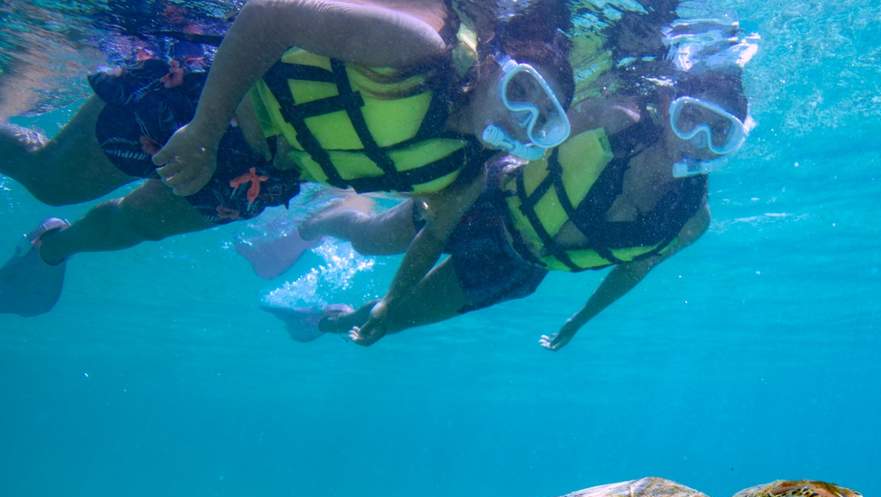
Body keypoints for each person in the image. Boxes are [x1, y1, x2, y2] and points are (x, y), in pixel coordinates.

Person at [0, 0, 574, 316]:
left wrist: (391, 307)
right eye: (520, 90)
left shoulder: (459, 173)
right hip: (215, 95)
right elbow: (270, 15)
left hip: (262, 171)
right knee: (51, 178)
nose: (517, 119)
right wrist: (203, 129)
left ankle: (53, 246)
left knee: (133, 225)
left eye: (539, 122)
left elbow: (428, 238)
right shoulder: (417, 47)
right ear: (497, 64)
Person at [261, 21, 757, 351]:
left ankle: (318, 320)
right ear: (667, 112)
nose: (700, 142)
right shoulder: (615, 118)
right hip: (486, 200)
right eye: (690, 119)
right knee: (373, 238)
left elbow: (631, 273)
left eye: (721, 134)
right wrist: (450, 180)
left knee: (389, 320)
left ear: (737, 143)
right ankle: (320, 219)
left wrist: (579, 322)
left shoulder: (691, 221)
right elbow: (526, 130)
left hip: (516, 265)